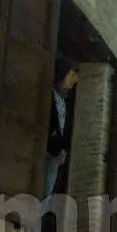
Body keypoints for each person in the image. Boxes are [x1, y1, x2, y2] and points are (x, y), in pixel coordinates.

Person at [45, 60, 78, 200]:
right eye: (72, 74)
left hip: (55, 157)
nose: (75, 80)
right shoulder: (48, 95)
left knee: (46, 194)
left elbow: (64, 130)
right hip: (44, 151)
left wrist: (63, 149)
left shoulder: (65, 103)